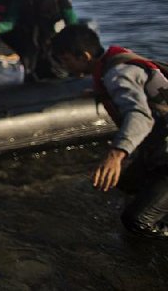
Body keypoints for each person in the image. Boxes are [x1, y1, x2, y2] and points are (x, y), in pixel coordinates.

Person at [52, 25, 168, 238]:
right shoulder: (112, 65)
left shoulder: (117, 74)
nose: (64, 66)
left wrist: (116, 154)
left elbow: (140, 116)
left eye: (66, 60)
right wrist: (101, 93)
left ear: (85, 56)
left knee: (137, 221)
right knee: (127, 184)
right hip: (161, 142)